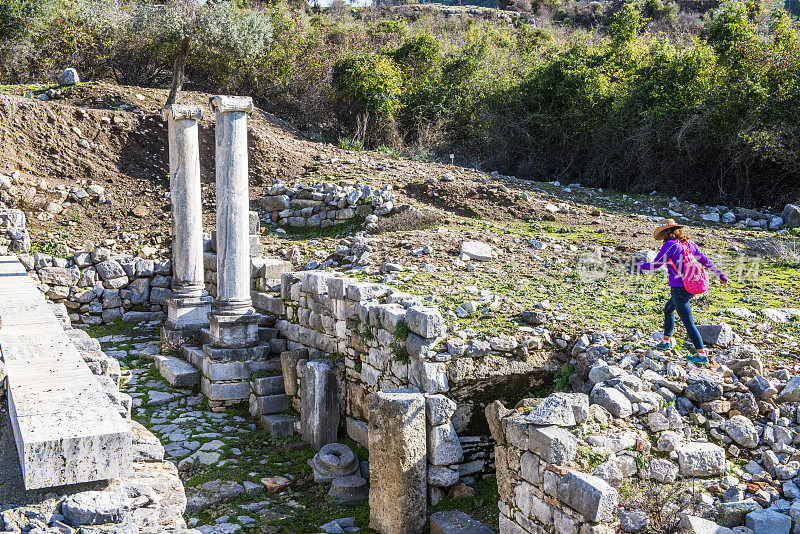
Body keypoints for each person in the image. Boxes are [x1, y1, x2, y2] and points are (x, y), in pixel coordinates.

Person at [637, 219, 728, 365]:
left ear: (666, 233)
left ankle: (701, 355)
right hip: (693, 285)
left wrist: (640, 264)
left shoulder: (669, 245)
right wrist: (720, 274)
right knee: (668, 309)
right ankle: (666, 341)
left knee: (688, 322)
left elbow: (655, 265)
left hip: (680, 288)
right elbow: (705, 260)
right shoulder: (689, 243)